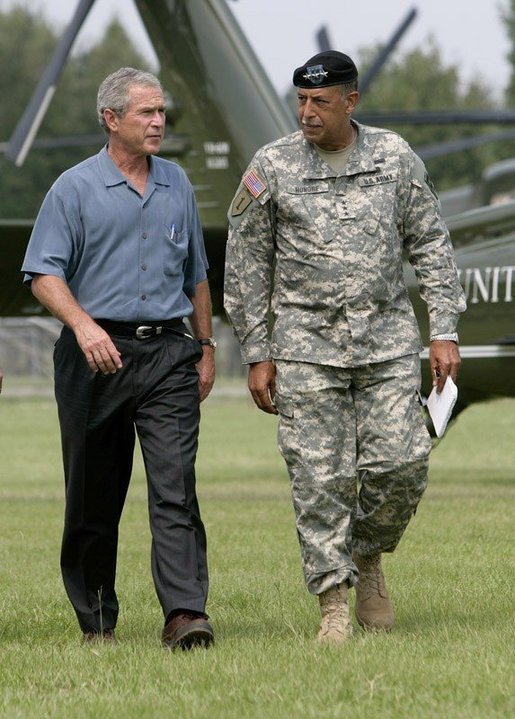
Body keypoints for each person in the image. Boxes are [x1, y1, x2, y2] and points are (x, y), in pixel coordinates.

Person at [224, 51, 466, 643]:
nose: (307, 113)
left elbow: (430, 242)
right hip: (305, 348)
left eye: (320, 103)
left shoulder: (392, 157)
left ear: (350, 101)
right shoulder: (272, 166)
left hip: (386, 343)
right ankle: (334, 600)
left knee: (402, 466)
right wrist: (257, 351)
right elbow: (246, 261)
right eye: (301, 102)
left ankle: (367, 556)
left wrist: (444, 328)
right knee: (317, 478)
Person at [21, 67, 216, 650]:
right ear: (111, 120)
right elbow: (42, 273)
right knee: (93, 493)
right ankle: (97, 620)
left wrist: (205, 347)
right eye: (146, 113)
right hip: (94, 354)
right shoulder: (72, 188)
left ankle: (185, 615)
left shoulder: (177, 182)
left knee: (176, 486)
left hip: (168, 355)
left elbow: (197, 275)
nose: (159, 122)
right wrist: (82, 326)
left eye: (162, 113)